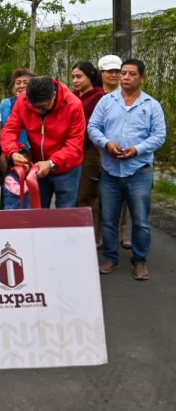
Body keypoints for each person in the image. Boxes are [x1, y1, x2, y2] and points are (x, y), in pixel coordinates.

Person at [88, 59, 166, 281]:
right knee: (108, 219)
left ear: (142, 78)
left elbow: (159, 136)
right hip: (110, 171)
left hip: (139, 171)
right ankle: (110, 257)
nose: (125, 77)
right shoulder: (106, 102)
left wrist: (136, 149)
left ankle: (140, 261)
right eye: (123, 73)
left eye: (132, 74)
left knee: (140, 220)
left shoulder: (152, 105)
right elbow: (93, 127)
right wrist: (106, 144)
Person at [1, 76, 85, 208]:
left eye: (42, 107)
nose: (37, 111)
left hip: (67, 169)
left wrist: (51, 163)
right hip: (37, 168)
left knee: (66, 213)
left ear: (54, 95)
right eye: (33, 107)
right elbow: (9, 131)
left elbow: (74, 145)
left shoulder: (73, 105)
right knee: (37, 211)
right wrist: (12, 152)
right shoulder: (23, 100)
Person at [98, 53, 132, 245]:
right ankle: (100, 232)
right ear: (101, 73)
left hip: (122, 152)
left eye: (117, 71)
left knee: (124, 194)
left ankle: (123, 231)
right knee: (98, 194)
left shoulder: (128, 94)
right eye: (109, 71)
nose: (114, 75)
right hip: (96, 150)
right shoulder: (96, 95)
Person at [71, 60, 105, 245]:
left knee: (88, 195)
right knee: (75, 195)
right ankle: (78, 236)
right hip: (72, 150)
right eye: (73, 77)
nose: (75, 81)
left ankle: (94, 237)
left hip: (90, 150)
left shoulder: (100, 97)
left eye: (79, 77)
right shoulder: (73, 96)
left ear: (90, 76)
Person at [0, 68, 35, 209]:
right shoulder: (7, 103)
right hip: (12, 154)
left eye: (26, 82)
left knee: (31, 192)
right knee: (11, 193)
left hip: (32, 155)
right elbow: (4, 129)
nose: (21, 85)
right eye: (18, 83)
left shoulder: (38, 104)